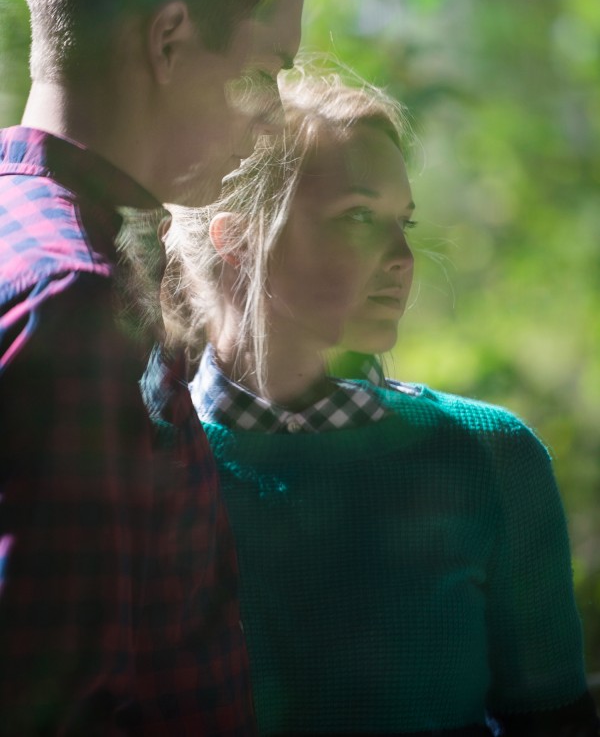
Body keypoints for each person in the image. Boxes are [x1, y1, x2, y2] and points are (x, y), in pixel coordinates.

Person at [164, 70, 599, 736]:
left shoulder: (488, 456)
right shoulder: (143, 467)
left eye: (405, 222)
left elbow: (554, 720)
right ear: (238, 238)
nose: (402, 256)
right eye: (360, 217)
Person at [0, 0, 315, 734]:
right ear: (171, 38)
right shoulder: (74, 298)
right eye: (265, 73)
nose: (272, 120)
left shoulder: (31, 243)